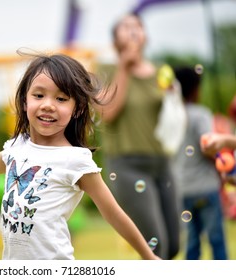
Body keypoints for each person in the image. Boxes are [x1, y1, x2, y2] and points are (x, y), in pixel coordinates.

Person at [0, 52, 159, 260]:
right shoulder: (18, 147)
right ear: (25, 101)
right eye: (39, 95)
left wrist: (149, 257)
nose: (48, 105)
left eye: (61, 99)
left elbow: (114, 214)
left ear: (77, 108)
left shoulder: (75, 160)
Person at [94, 13, 180, 259]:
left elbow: (172, 118)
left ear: (145, 35)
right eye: (125, 26)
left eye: (138, 25)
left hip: (162, 163)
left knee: (173, 245)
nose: (132, 30)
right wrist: (124, 66)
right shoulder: (106, 69)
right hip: (127, 166)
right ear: (114, 40)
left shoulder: (161, 73)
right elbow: (107, 113)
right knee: (156, 247)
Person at [172, 66, 228, 260]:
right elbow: (208, 146)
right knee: (216, 240)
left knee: (192, 243)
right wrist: (223, 166)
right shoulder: (200, 114)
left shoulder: (170, 116)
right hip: (205, 187)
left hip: (182, 188)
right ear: (196, 89)